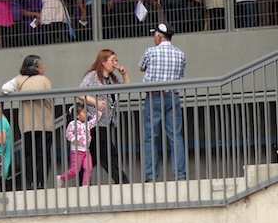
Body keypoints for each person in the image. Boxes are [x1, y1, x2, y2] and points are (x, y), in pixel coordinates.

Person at [140, 22, 188, 181]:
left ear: (159, 36)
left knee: (150, 137)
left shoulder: (150, 52)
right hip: (172, 97)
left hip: (154, 97)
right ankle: (180, 174)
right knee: (176, 136)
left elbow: (142, 67)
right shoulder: (180, 54)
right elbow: (181, 74)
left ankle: (151, 175)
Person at [80, 49, 131, 184]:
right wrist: (95, 103)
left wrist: (125, 75)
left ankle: (82, 182)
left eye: (116, 60)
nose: (115, 63)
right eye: (112, 60)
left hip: (107, 122)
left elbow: (126, 88)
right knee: (109, 154)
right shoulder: (92, 76)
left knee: (93, 156)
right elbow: (80, 93)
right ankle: (122, 181)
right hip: (95, 122)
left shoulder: (111, 79)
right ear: (103, 62)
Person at [7, 55, 53, 189]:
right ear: (36, 68)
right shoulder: (44, 80)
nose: (44, 68)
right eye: (42, 65)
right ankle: (41, 181)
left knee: (28, 154)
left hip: (27, 124)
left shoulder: (20, 79)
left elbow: (5, 88)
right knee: (44, 153)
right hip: (45, 123)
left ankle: (31, 181)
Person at [60, 103, 101, 186]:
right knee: (75, 170)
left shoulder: (86, 124)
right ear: (77, 115)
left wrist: (99, 112)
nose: (86, 114)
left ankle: (85, 185)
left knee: (89, 168)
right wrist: (73, 139)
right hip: (76, 151)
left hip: (86, 151)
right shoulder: (73, 123)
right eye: (84, 113)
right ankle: (62, 178)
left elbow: (94, 121)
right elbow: (68, 133)